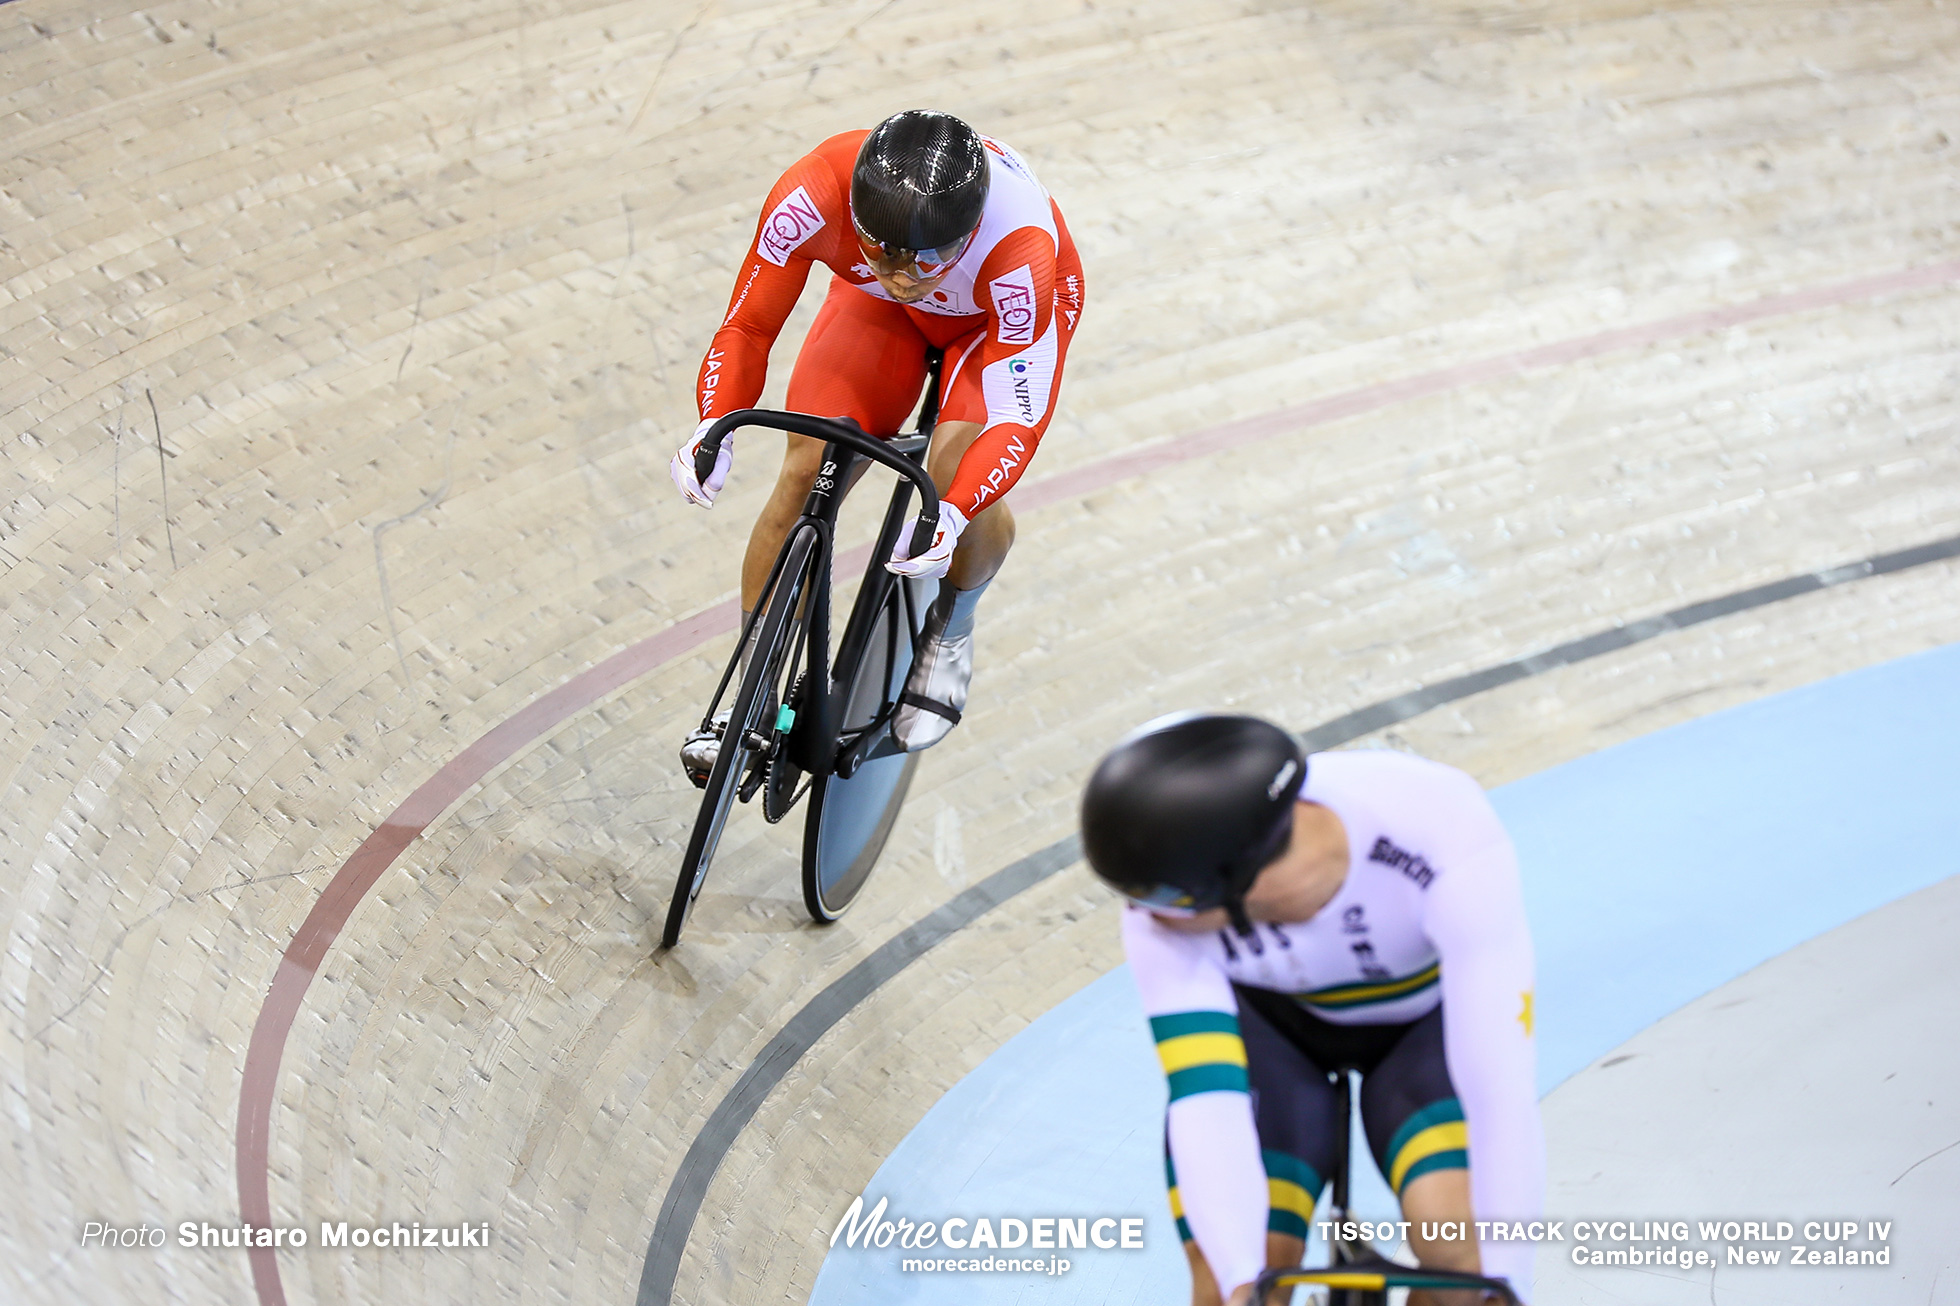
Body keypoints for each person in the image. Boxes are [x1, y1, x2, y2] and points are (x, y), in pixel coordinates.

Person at [669, 109, 1085, 771]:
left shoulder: (1019, 251)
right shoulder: (812, 193)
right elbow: (747, 327)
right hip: (879, 320)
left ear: (971, 230)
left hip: (987, 327)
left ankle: (951, 627)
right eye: (884, 251)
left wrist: (950, 512)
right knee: (806, 470)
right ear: (857, 220)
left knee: (954, 479)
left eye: (931, 257)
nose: (906, 274)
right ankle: (748, 696)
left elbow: (1016, 421)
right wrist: (711, 423)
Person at [1079, 714, 1543, 1306]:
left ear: (1239, 881)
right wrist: (1242, 1279)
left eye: (1159, 898)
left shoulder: (1438, 825)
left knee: (1463, 1259)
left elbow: (1499, 1093)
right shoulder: (1157, 921)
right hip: (1272, 1047)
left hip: (1420, 1040)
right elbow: (1207, 1098)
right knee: (1234, 1287)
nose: (1142, 915)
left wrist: (1510, 1281)